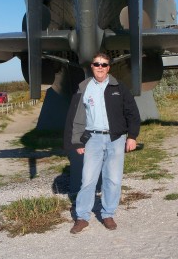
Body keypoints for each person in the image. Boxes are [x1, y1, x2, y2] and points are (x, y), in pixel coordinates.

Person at [63, 52, 141, 234]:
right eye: (97, 64)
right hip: (93, 139)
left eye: (104, 64)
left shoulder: (119, 87)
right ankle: (82, 217)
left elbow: (132, 113)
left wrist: (132, 136)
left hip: (115, 139)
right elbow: (75, 117)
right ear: (91, 66)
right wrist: (76, 142)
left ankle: (108, 214)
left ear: (109, 67)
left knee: (113, 179)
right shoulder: (83, 88)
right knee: (88, 179)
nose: (100, 67)